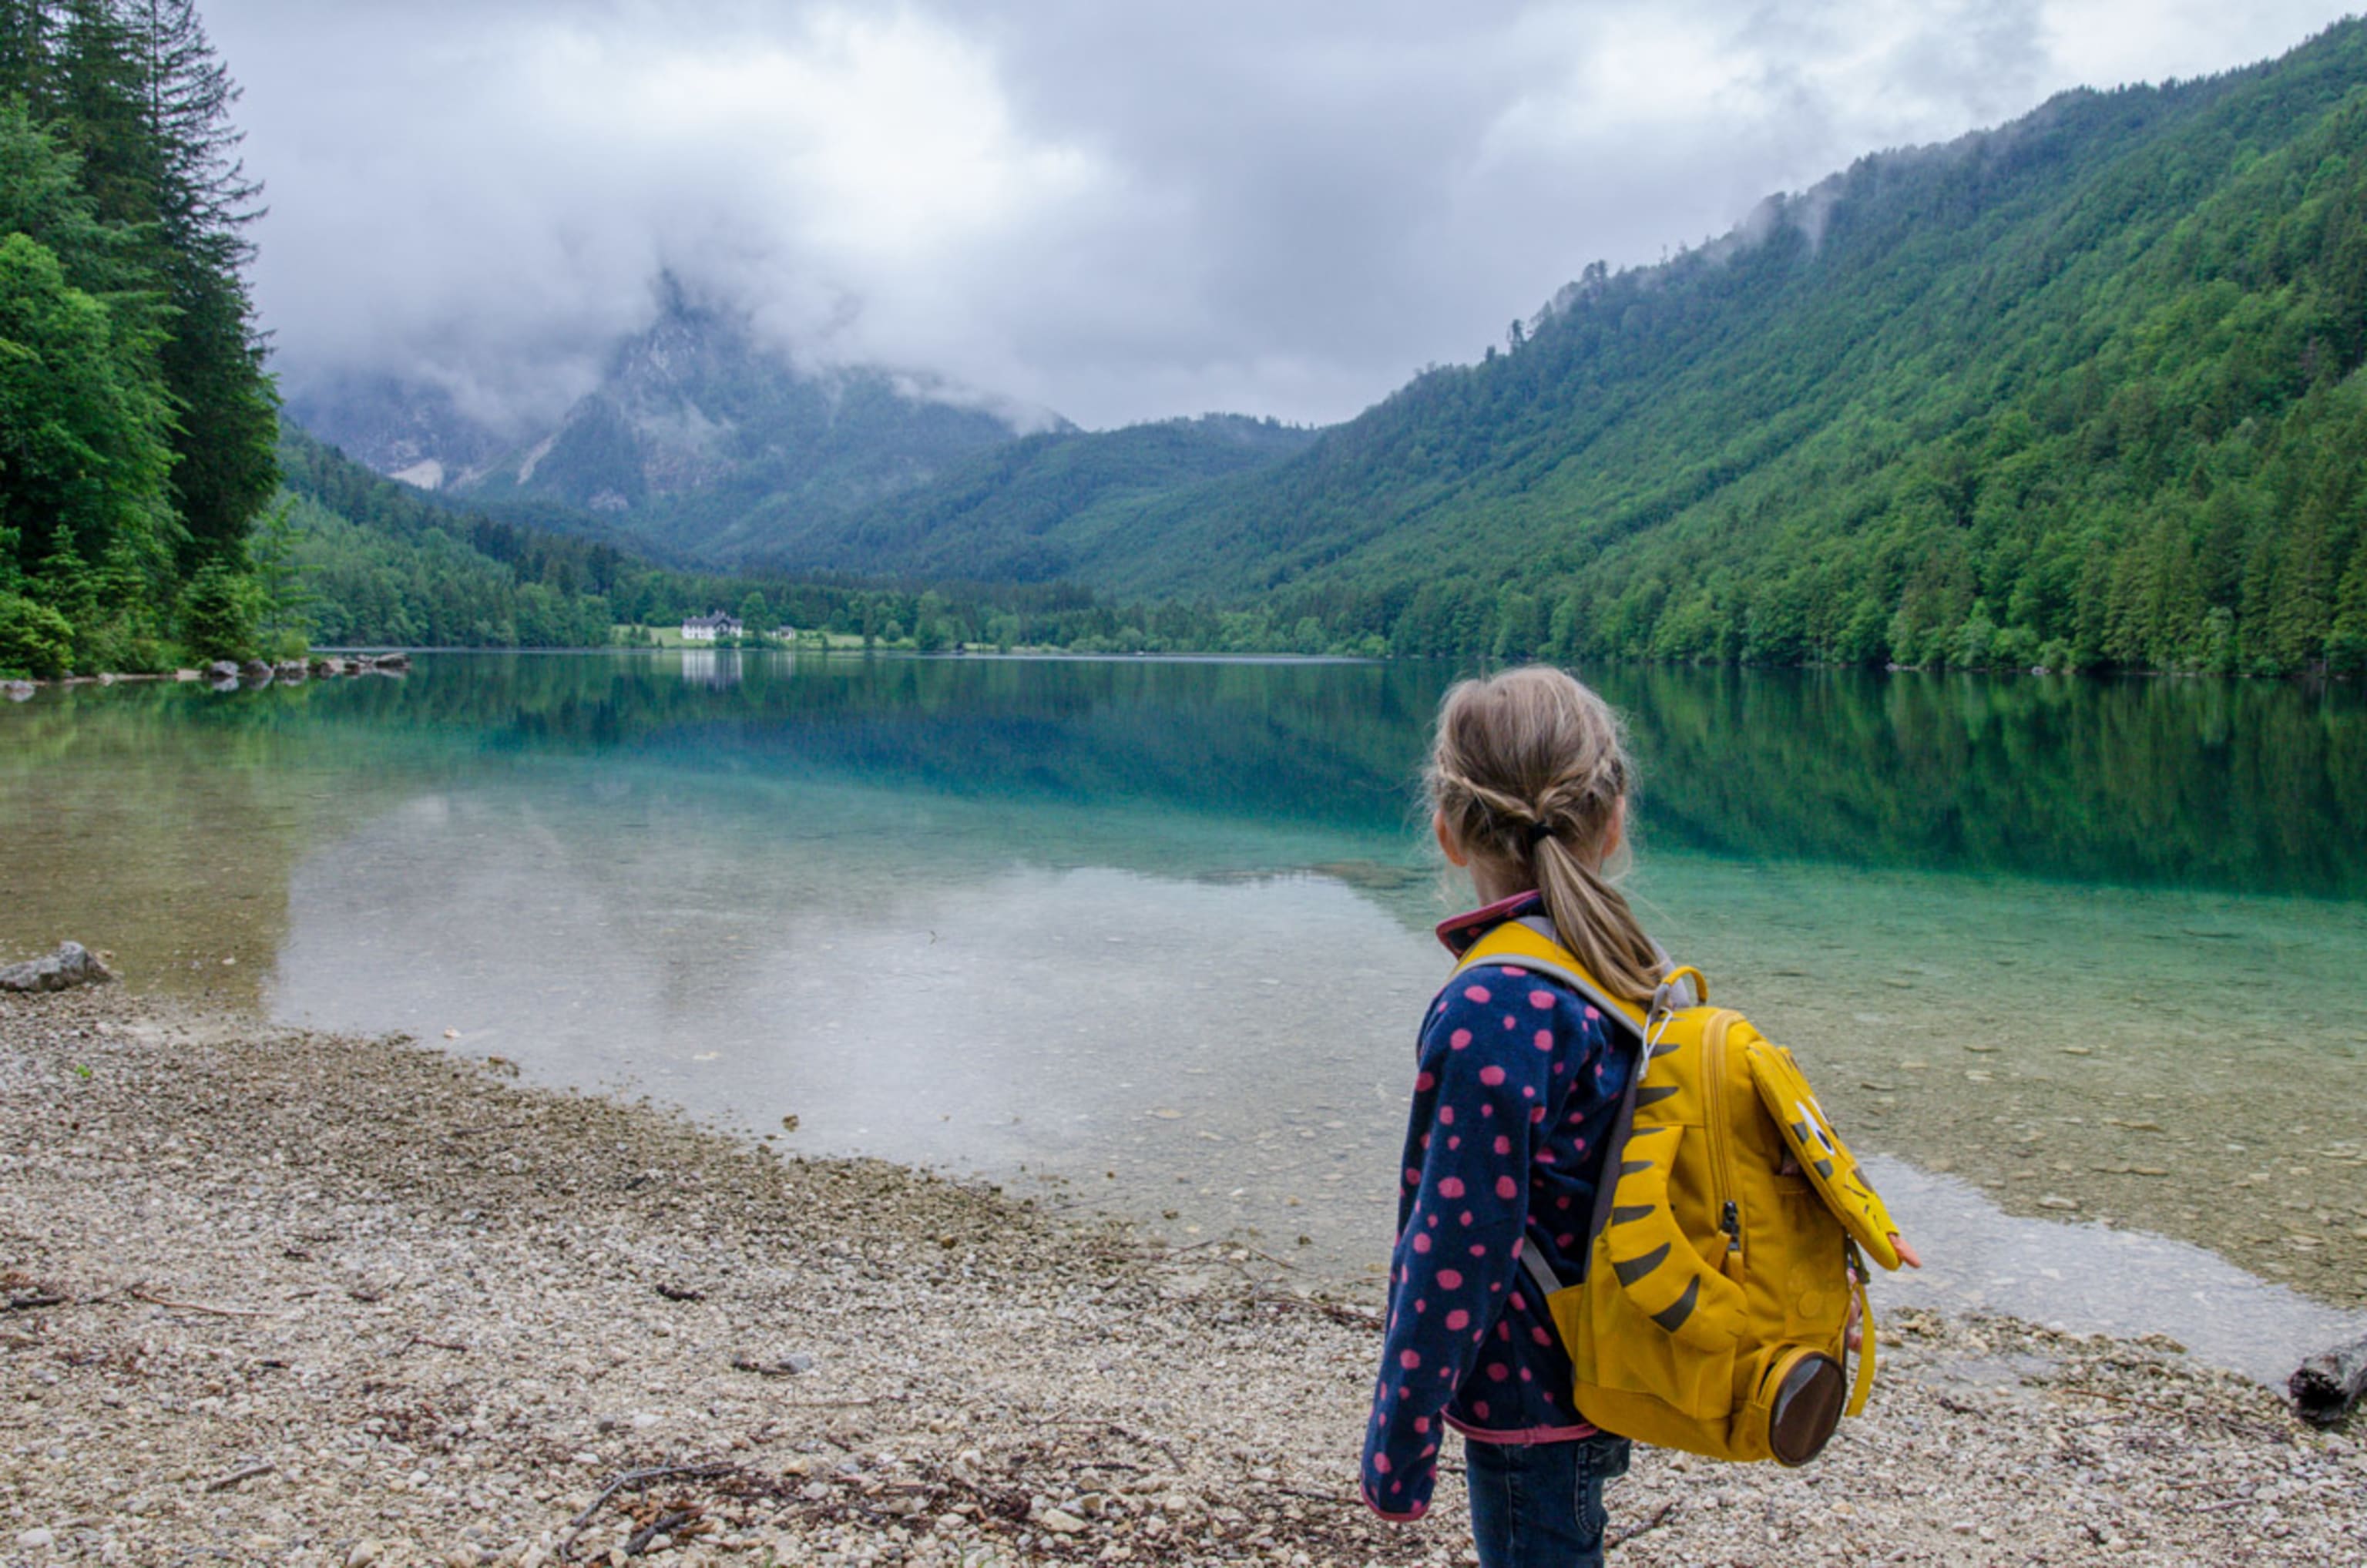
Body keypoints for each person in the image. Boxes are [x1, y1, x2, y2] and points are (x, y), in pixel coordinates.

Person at [1359, 666, 1658, 1565]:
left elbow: (1456, 1247)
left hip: (1533, 1392)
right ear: (1613, 821)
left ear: (1448, 830)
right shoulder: (1626, 964)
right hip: (1610, 1354)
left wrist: (1399, 1445)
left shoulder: (1494, 1003)